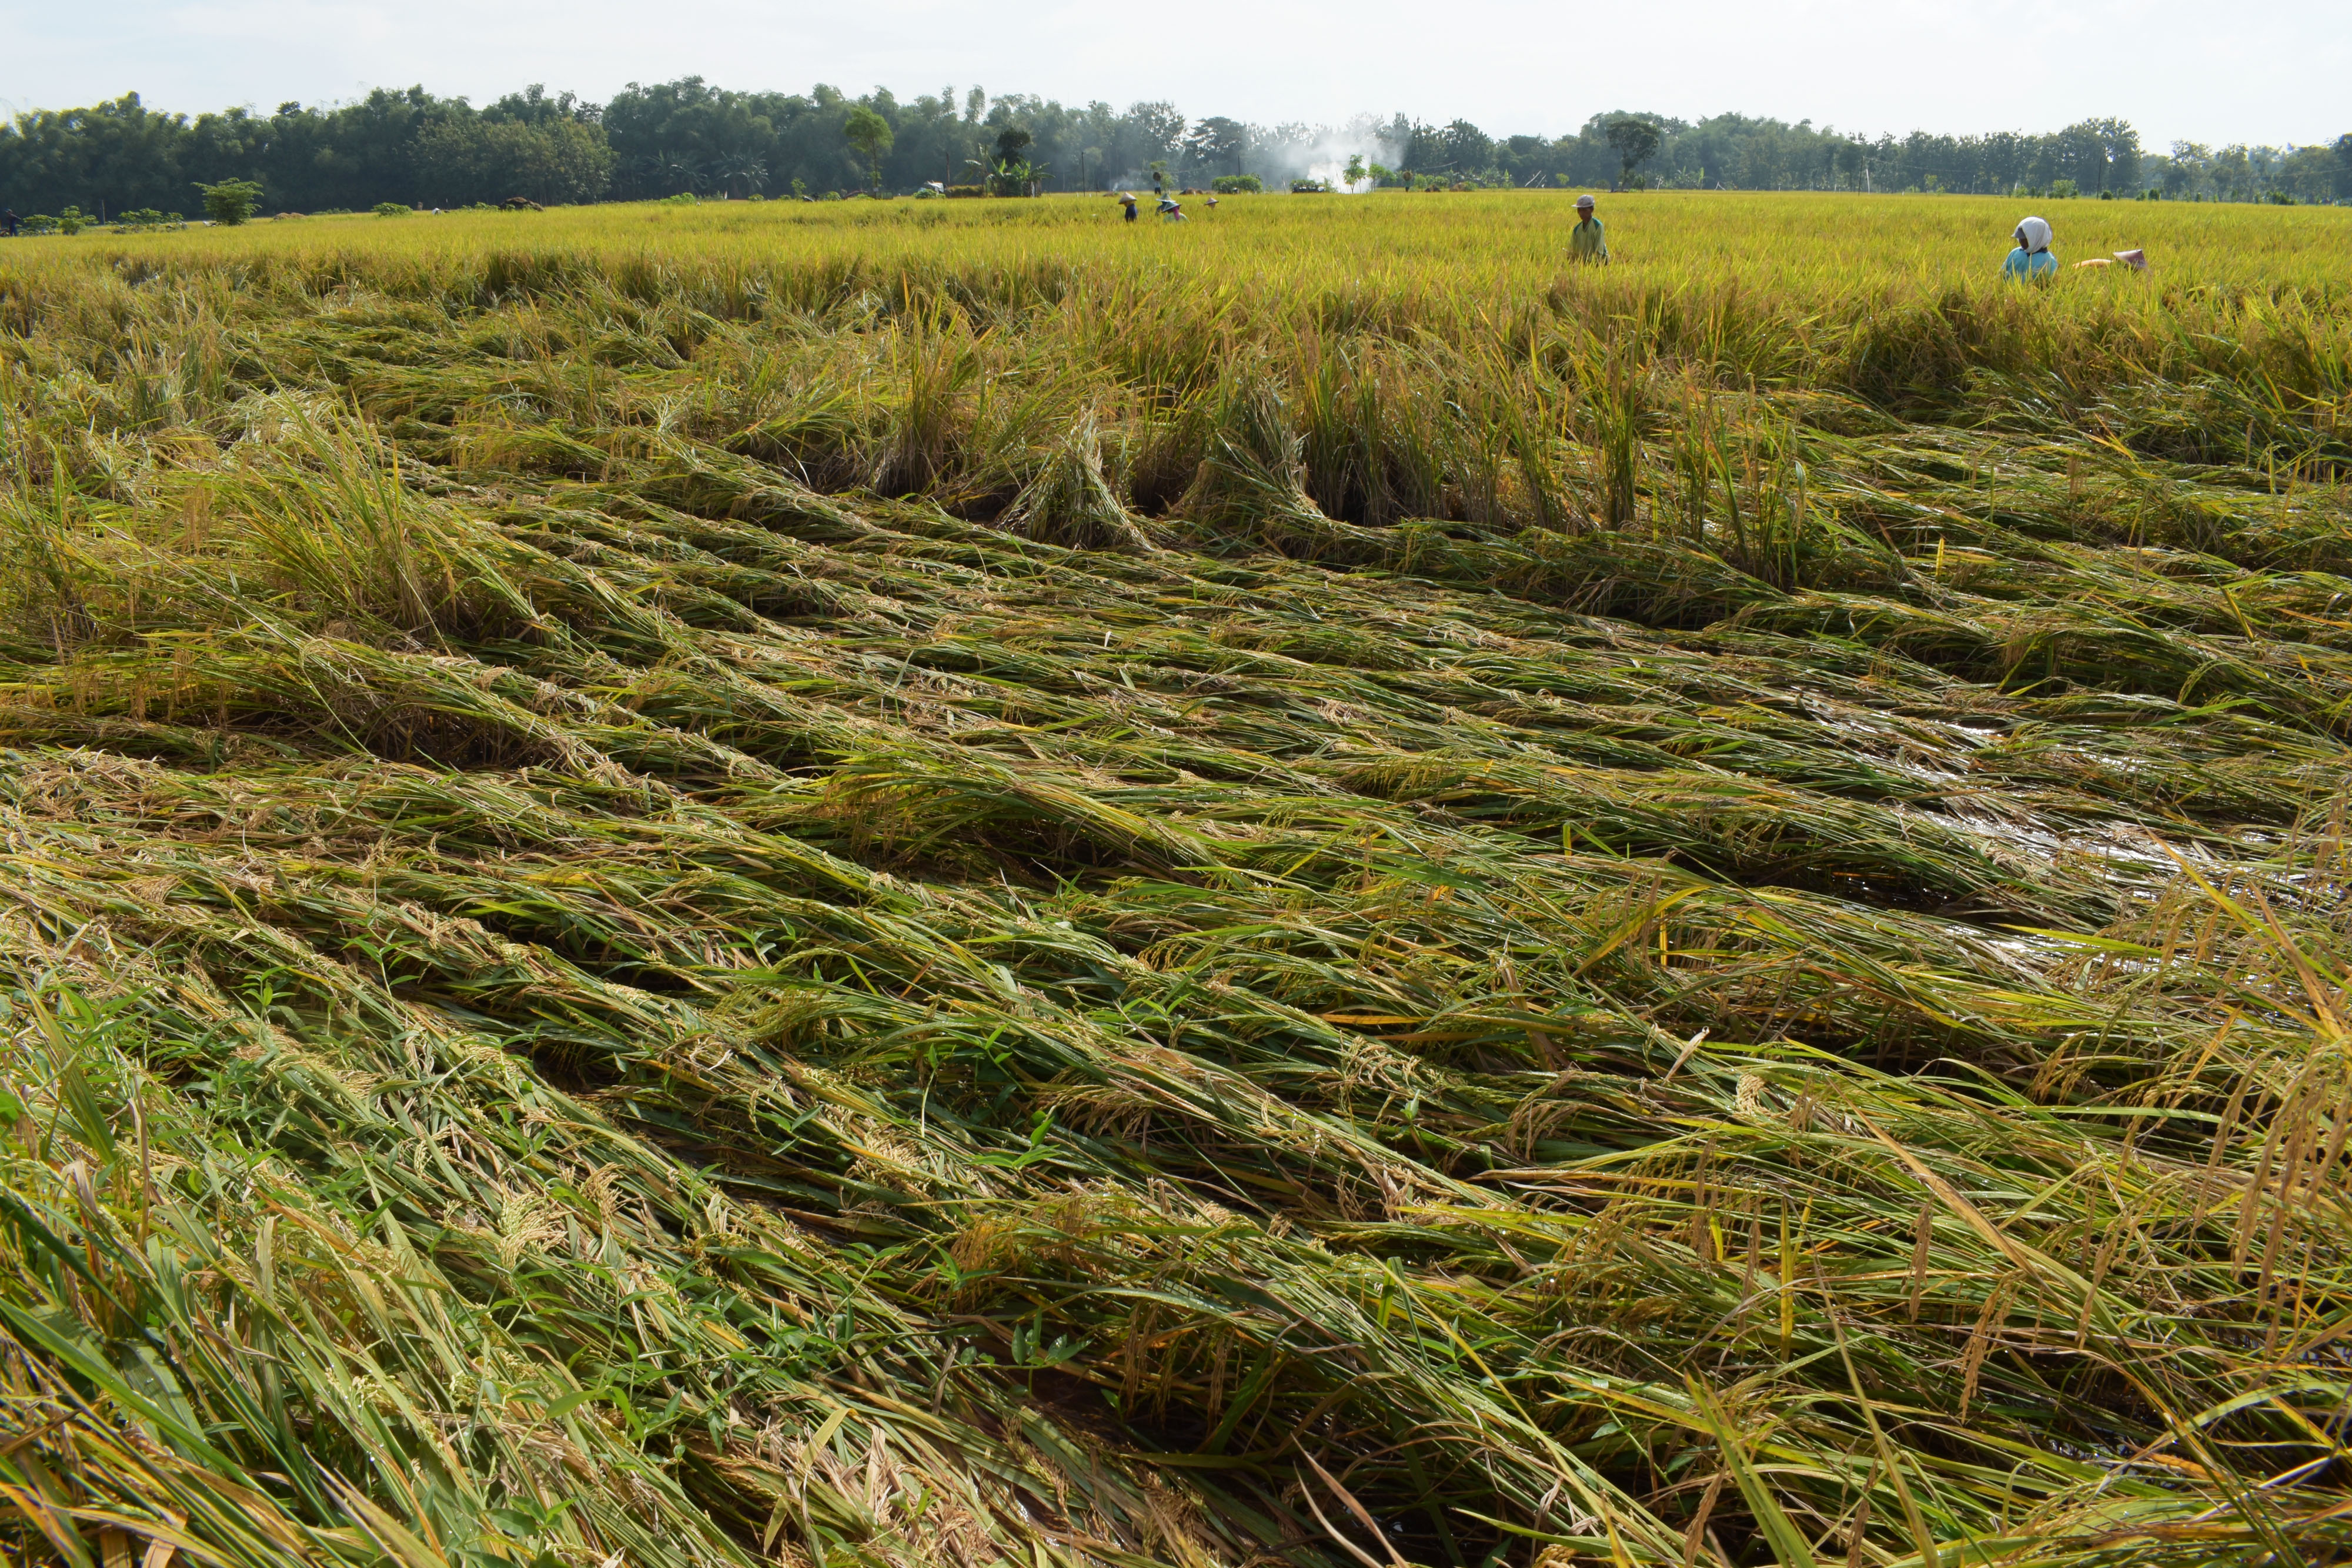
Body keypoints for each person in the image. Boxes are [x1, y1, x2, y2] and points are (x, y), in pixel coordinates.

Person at [2004, 216, 2057, 280]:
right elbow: (2001, 276)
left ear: (2036, 238)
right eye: (2020, 238)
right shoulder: (2015, 253)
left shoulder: (2049, 261)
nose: (2021, 241)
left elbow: (2049, 285)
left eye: (2024, 239)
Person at [1569, 195, 1608, 263]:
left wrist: (1585, 262)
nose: (1581, 213)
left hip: (1600, 263)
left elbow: (1599, 253)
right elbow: (1574, 251)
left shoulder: (1598, 226)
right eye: (1579, 210)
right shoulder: (1576, 230)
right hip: (1583, 263)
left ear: (1592, 210)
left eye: (1584, 210)